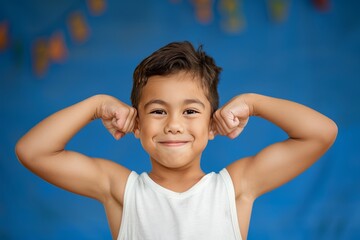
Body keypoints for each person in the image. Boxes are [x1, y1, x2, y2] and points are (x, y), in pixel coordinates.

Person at [15, 41, 338, 240]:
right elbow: (32, 151)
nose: (173, 125)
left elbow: (321, 133)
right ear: (136, 124)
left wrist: (253, 103)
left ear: (213, 124)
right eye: (158, 111)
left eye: (190, 111)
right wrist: (96, 105)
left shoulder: (235, 188)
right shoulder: (121, 191)